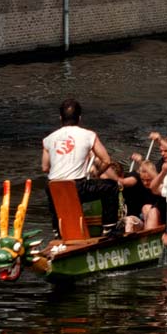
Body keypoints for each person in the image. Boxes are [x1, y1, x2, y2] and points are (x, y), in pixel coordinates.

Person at [41, 98, 119, 236]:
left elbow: (45, 168)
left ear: (60, 118)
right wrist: (97, 174)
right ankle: (109, 228)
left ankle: (57, 231)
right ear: (80, 118)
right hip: (77, 187)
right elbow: (106, 160)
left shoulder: (48, 139)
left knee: (51, 188)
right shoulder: (89, 135)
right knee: (111, 186)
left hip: (53, 187)